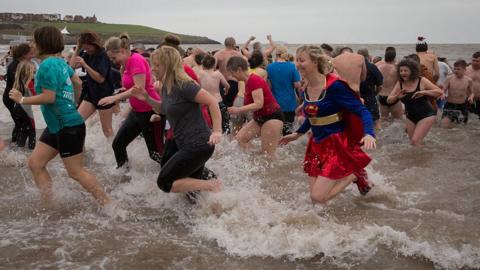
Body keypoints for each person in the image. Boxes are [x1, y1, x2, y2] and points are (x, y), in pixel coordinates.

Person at [9, 26, 111, 206]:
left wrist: (22, 99)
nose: (32, 45)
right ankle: (48, 203)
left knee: (76, 172)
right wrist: (72, 104)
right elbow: (77, 82)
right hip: (58, 125)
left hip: (67, 126)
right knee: (35, 163)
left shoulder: (47, 66)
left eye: (34, 41)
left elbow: (49, 97)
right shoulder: (59, 62)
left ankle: (109, 205)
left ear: (42, 43)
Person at [280, 45, 376, 204]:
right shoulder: (306, 88)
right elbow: (312, 115)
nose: (297, 64)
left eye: (302, 60)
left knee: (317, 197)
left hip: (336, 144)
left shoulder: (335, 86)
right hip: (316, 144)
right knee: (316, 202)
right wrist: (297, 134)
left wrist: (369, 133)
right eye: (296, 60)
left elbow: (362, 110)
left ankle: (353, 174)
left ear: (316, 61)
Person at [132, 46, 222, 194]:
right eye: (152, 65)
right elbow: (163, 110)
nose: (152, 69)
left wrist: (217, 131)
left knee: (164, 182)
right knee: (192, 194)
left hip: (198, 145)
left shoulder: (184, 85)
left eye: (157, 65)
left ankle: (212, 185)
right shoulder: (167, 87)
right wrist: (147, 98)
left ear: (168, 65)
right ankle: (207, 211)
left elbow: (212, 101)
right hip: (188, 144)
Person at [99, 33, 163, 169]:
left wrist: (114, 98)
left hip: (150, 111)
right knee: (118, 144)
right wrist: (121, 91)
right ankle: (125, 177)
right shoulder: (127, 62)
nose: (113, 61)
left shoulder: (136, 60)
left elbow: (138, 89)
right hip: (137, 111)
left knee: (156, 154)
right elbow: (133, 85)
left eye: (114, 57)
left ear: (122, 51)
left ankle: (186, 177)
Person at [227, 56, 284, 159]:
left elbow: (259, 104)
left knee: (268, 155)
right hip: (260, 117)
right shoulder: (247, 82)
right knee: (239, 139)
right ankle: (255, 159)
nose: (232, 76)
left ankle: (272, 169)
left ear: (239, 69)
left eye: (232, 73)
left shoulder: (254, 80)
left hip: (272, 116)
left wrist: (238, 109)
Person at [387, 59, 443, 146]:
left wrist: (423, 92)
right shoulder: (400, 83)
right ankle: (422, 157)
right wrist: (397, 96)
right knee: (413, 143)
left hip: (426, 115)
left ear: (412, 71)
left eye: (405, 70)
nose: (403, 73)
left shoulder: (421, 81)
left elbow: (439, 92)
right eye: (401, 71)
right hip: (410, 117)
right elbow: (389, 100)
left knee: (415, 141)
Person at [70, 30, 115, 138]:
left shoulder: (102, 55)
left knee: (107, 131)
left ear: (94, 44)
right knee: (75, 122)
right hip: (90, 94)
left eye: (88, 47)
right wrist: (78, 48)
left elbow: (100, 79)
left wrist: (85, 65)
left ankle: (113, 152)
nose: (86, 50)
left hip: (104, 95)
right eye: (84, 48)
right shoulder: (86, 53)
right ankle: (79, 150)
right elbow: (71, 66)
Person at [2, 43, 34, 144]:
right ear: (24, 55)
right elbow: (24, 85)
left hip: (11, 98)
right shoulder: (18, 66)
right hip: (14, 99)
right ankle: (24, 149)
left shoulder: (15, 64)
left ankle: (15, 145)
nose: (32, 56)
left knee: (20, 124)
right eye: (30, 54)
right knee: (26, 125)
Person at [266, 46, 302, 135]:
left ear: (276, 55)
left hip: (274, 103)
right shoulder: (292, 66)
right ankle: (287, 148)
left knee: (276, 131)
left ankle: (276, 148)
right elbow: (297, 85)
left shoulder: (269, 67)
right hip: (289, 102)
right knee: (288, 130)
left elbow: (268, 86)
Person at [197, 54, 230, 133]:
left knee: (208, 127)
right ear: (214, 64)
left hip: (205, 102)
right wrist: (226, 90)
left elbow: (195, 85)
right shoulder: (217, 74)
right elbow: (227, 85)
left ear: (203, 64)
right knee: (224, 126)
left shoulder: (200, 73)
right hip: (218, 101)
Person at [440, 59, 474, 128]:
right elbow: (443, 89)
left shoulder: (468, 80)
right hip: (449, 105)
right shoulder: (449, 78)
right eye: (454, 68)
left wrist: (471, 97)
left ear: (465, 70)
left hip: (462, 106)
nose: (456, 70)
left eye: (458, 69)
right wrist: (442, 94)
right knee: (444, 126)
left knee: (461, 127)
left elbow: (472, 93)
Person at [11, 60, 36, 149]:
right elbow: (35, 96)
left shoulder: (17, 81)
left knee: (23, 130)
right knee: (32, 130)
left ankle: (18, 150)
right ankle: (31, 151)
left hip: (16, 108)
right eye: (33, 71)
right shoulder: (29, 83)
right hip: (25, 110)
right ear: (28, 72)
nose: (34, 73)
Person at [214, 37, 246, 107]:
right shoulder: (238, 54)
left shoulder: (218, 54)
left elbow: (212, 68)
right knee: (232, 104)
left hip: (222, 82)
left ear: (225, 44)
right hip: (234, 82)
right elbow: (245, 66)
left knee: (223, 103)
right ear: (234, 44)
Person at [358, 48, 383, 130]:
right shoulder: (372, 67)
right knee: (376, 121)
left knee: (360, 120)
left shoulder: (354, 68)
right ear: (368, 56)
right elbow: (380, 85)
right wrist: (375, 93)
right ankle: (378, 139)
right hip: (370, 96)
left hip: (357, 97)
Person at [376, 47, 403, 119]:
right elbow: (401, 82)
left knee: (384, 121)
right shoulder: (397, 68)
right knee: (399, 120)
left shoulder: (378, 67)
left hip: (381, 97)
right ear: (394, 57)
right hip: (393, 96)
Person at [466, 52, 480, 119]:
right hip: (468, 99)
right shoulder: (466, 70)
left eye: (477, 61)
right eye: (473, 60)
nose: (475, 62)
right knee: (467, 120)